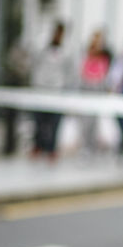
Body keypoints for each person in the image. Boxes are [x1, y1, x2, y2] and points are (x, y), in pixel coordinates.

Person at [30, 22, 75, 160]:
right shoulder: (43, 47)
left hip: (57, 91)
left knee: (54, 122)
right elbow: (34, 61)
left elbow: (69, 72)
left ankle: (51, 148)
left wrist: (66, 89)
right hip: (41, 89)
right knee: (39, 121)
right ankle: (38, 146)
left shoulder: (67, 51)